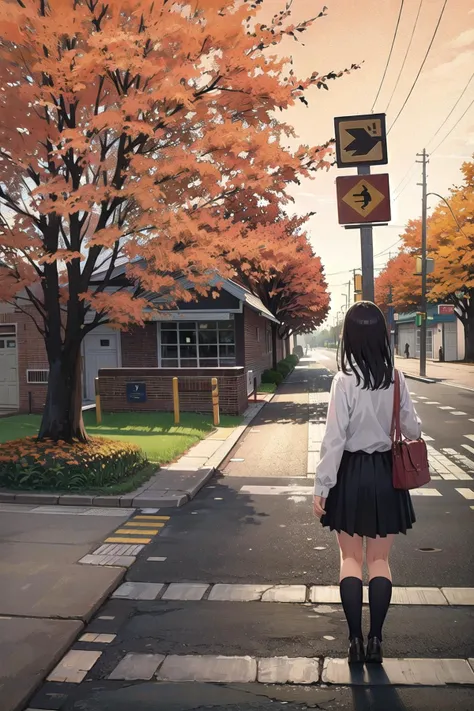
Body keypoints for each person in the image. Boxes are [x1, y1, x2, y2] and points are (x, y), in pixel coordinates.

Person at [313, 302, 421, 665]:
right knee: (379, 561)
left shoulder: (343, 380)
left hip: (349, 474)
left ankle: (354, 640)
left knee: (349, 559)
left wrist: (322, 488)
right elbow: (413, 430)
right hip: (386, 475)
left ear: (349, 337)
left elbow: (334, 439)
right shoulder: (397, 379)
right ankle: (376, 639)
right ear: (382, 336)